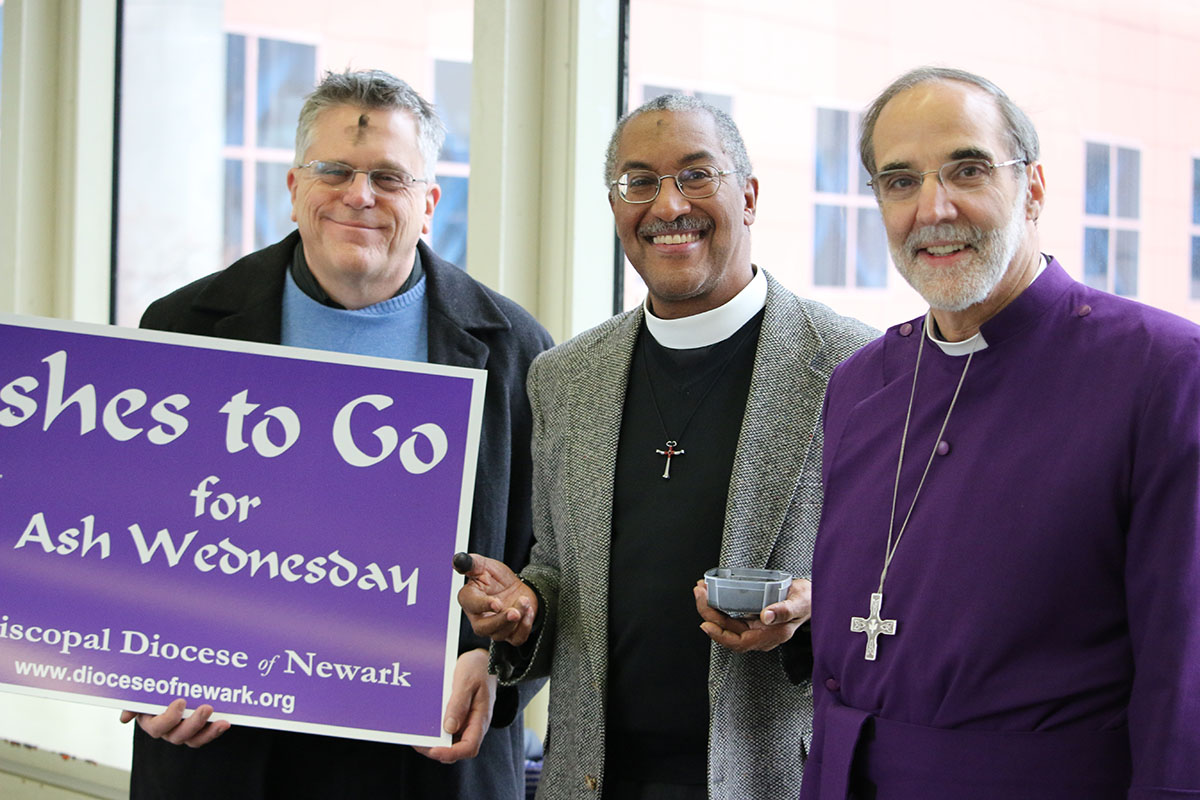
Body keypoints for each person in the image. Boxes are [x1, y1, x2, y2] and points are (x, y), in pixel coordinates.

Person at [122, 69, 553, 800]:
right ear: (294, 187)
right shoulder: (180, 327)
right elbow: (123, 538)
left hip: (428, 756)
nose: (360, 194)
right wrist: (137, 669)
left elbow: (557, 561)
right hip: (228, 755)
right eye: (335, 170)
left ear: (428, 204)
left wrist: (505, 666)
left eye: (389, 176)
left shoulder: (519, 350)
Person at [457, 95, 877, 800]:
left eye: (697, 174)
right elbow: (559, 572)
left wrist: (814, 609)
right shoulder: (565, 377)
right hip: (596, 778)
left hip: (775, 776)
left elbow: (902, 587)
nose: (667, 204)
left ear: (748, 195)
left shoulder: (853, 368)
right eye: (638, 181)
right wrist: (526, 610)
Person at [801, 66, 1200, 799]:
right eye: (900, 181)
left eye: (968, 169)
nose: (933, 208)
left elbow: (1186, 673)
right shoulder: (858, 383)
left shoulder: (1165, 370)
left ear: (1034, 187)